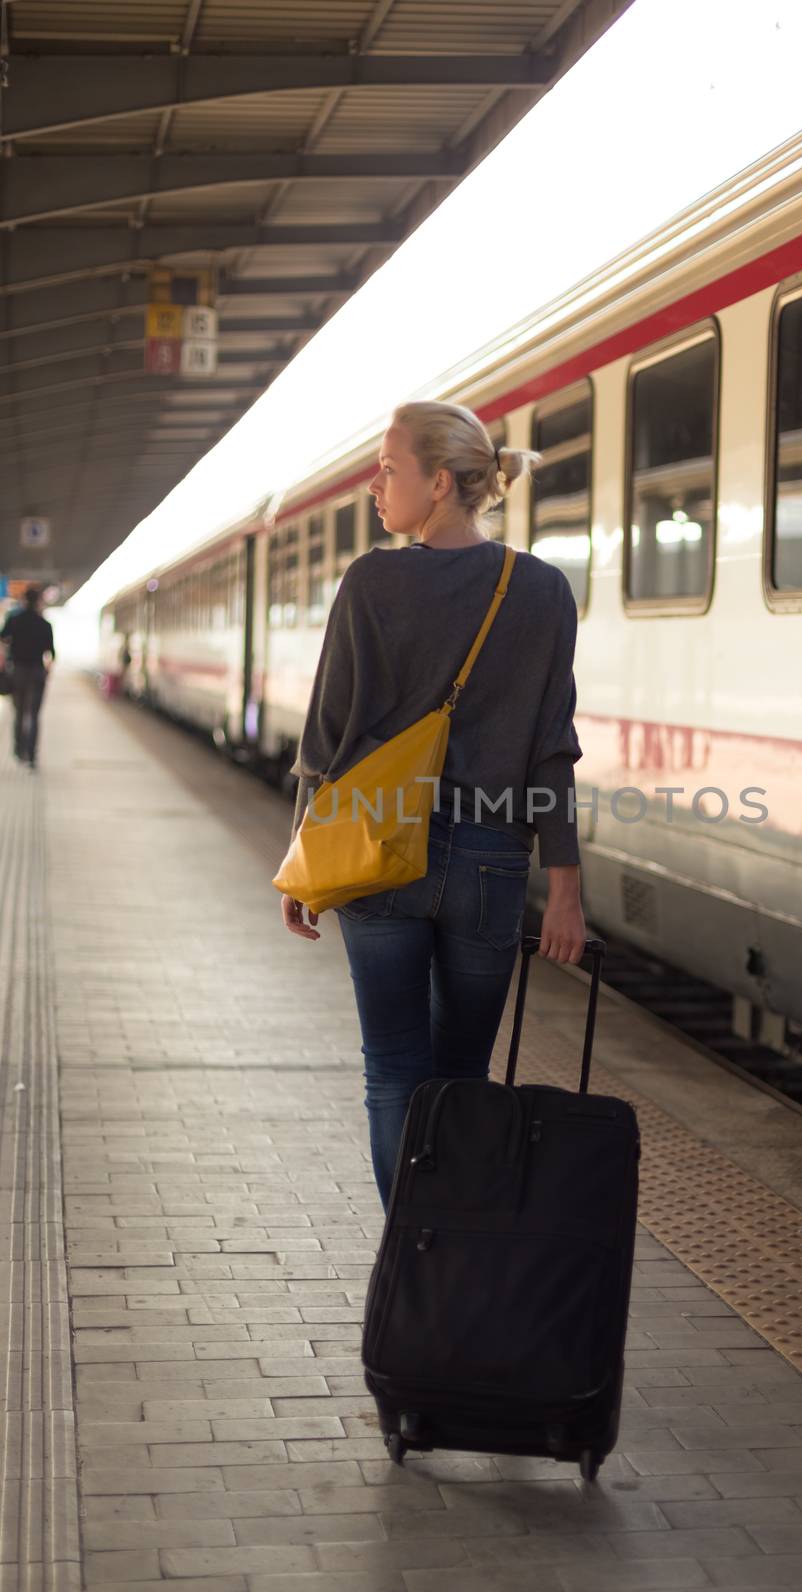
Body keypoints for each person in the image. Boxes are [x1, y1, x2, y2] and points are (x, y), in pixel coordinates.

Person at [281, 400, 587, 1207]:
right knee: (461, 1078)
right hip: (489, 860)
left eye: (389, 468)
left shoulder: (372, 581)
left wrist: (303, 862)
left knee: (393, 1074)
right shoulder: (543, 591)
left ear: (442, 482)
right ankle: (451, 1257)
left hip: (379, 852)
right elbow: (551, 749)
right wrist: (565, 890)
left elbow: (328, 739)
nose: (375, 486)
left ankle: (411, 1258)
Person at [0, 586, 55, 769]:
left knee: (19, 713)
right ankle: (32, 755)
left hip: (18, 672)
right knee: (34, 714)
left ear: (24, 600)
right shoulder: (45, 624)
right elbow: (51, 654)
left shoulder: (14, 621)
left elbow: (2, 638)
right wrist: (47, 672)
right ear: (39, 601)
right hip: (37, 672)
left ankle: (18, 751)